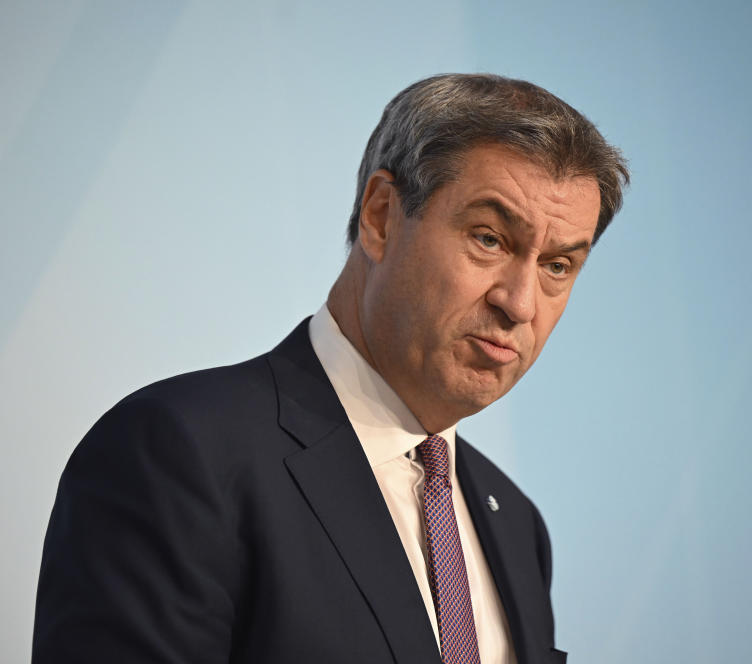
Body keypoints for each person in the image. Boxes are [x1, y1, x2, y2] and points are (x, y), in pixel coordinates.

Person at [32, 73, 629, 664]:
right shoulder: (178, 452)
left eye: (557, 265)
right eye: (490, 238)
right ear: (380, 216)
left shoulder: (517, 525)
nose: (520, 303)